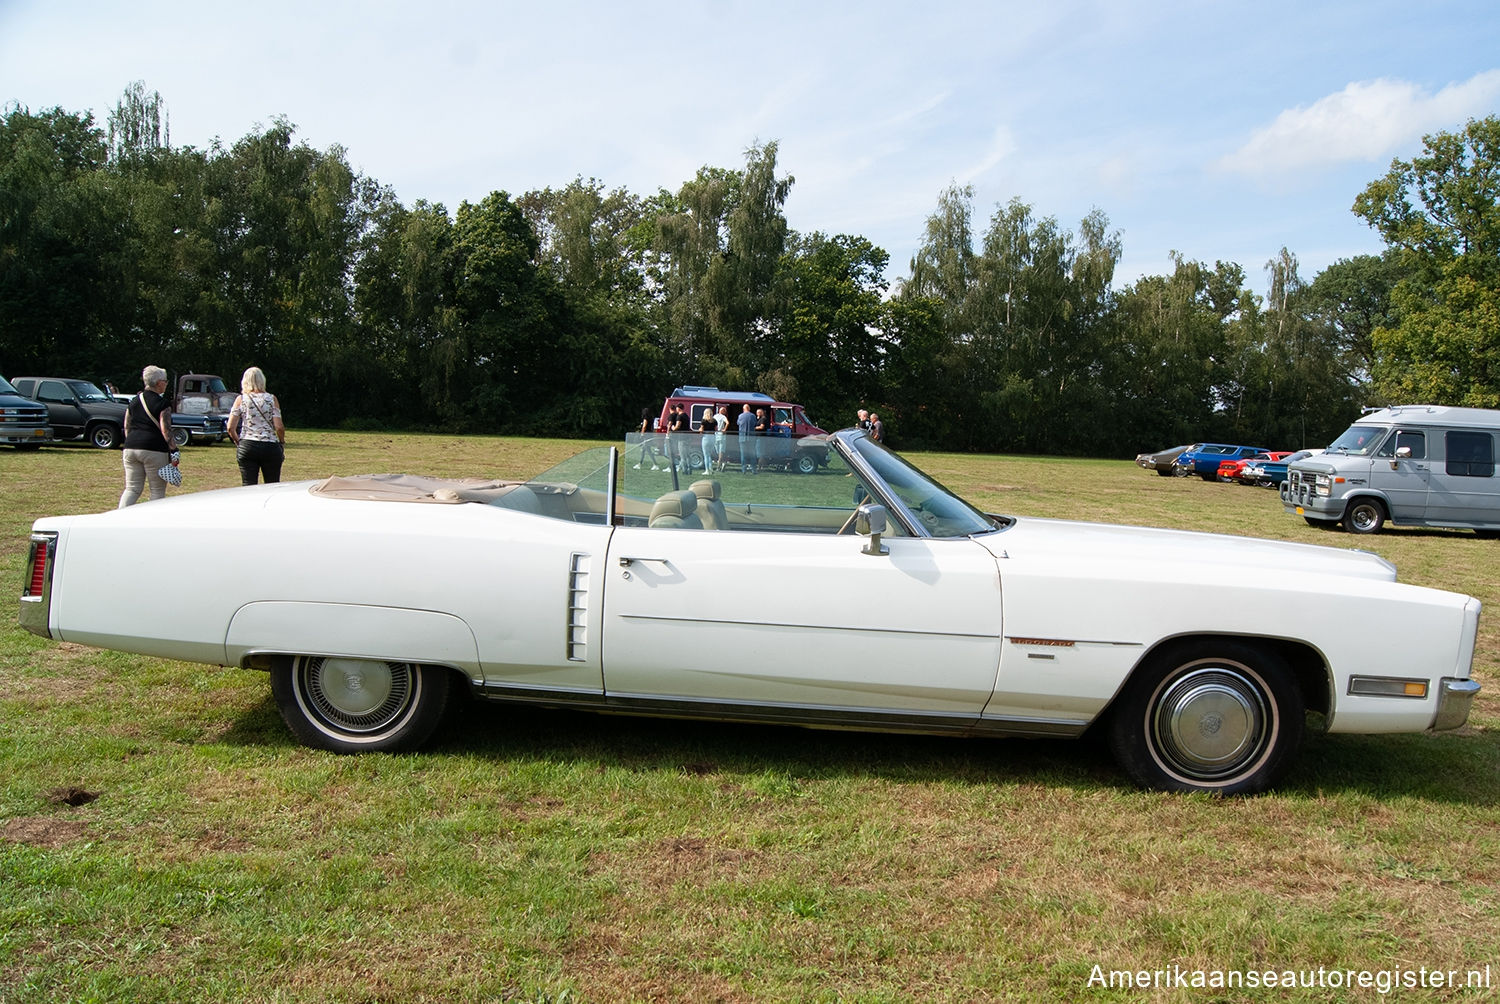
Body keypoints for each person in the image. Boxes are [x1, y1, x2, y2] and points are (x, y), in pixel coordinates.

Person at [119, 365, 177, 507]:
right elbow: (166, 429)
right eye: (165, 381)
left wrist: (131, 441)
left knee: (132, 488)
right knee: (157, 490)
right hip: (154, 449)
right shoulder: (162, 403)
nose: (166, 384)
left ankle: (119, 516)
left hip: (131, 447)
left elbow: (127, 424)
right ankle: (153, 522)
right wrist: (174, 450)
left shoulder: (134, 401)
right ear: (158, 383)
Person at [227, 366, 286, 485]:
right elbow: (279, 427)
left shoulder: (241, 399)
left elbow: (230, 427)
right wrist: (281, 442)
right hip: (269, 445)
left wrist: (238, 441)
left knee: (248, 485)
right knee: (272, 485)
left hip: (248, 444)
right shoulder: (271, 399)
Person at [667, 404, 689, 472]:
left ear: (678, 408)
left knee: (682, 454)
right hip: (687, 437)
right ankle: (687, 468)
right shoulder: (686, 416)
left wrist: (673, 428)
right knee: (686, 454)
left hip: (681, 437)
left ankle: (684, 469)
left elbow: (678, 426)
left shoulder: (679, 416)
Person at [736, 404, 757, 473]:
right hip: (751, 437)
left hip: (742, 437)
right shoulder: (753, 416)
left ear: (743, 409)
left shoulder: (740, 416)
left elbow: (738, 423)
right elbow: (755, 424)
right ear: (749, 409)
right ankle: (753, 469)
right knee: (752, 454)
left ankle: (743, 469)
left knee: (743, 454)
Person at [699, 410, 715, 475]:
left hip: (706, 437)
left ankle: (707, 470)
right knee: (709, 455)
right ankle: (711, 469)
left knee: (706, 455)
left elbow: (701, 430)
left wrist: (700, 430)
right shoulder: (714, 421)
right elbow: (716, 429)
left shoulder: (703, 421)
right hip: (713, 437)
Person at [714, 406, 729, 472]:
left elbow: (727, 423)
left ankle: (718, 466)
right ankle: (723, 462)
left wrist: (724, 429)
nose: (725, 412)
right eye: (724, 411)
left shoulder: (715, 416)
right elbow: (727, 422)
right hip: (719, 434)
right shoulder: (722, 417)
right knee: (719, 450)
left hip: (717, 434)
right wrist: (724, 429)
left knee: (719, 450)